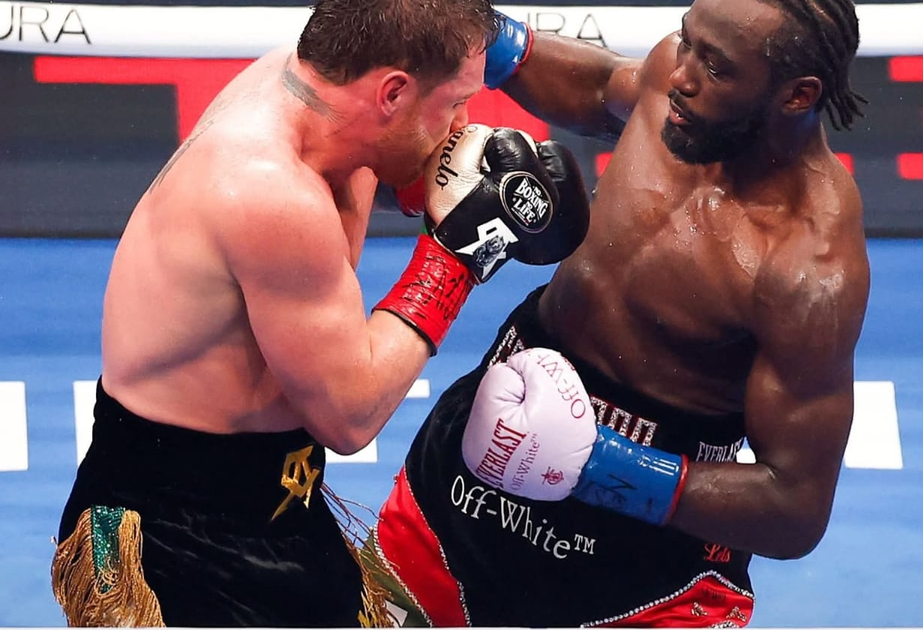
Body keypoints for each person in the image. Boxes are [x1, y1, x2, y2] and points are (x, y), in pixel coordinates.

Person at [49, 0, 590, 626]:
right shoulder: (269, 190)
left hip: (284, 503)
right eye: (453, 104)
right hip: (177, 534)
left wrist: (448, 183)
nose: (464, 124)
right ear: (392, 91)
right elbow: (350, 414)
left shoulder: (309, 96)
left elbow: (376, 171)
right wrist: (460, 254)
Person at [368, 0, 872, 625]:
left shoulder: (808, 269)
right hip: (473, 474)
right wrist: (476, 31)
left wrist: (596, 464)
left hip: (643, 568)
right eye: (685, 42)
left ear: (797, 96)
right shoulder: (679, 81)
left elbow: (796, 508)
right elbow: (603, 86)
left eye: (715, 67)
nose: (680, 72)